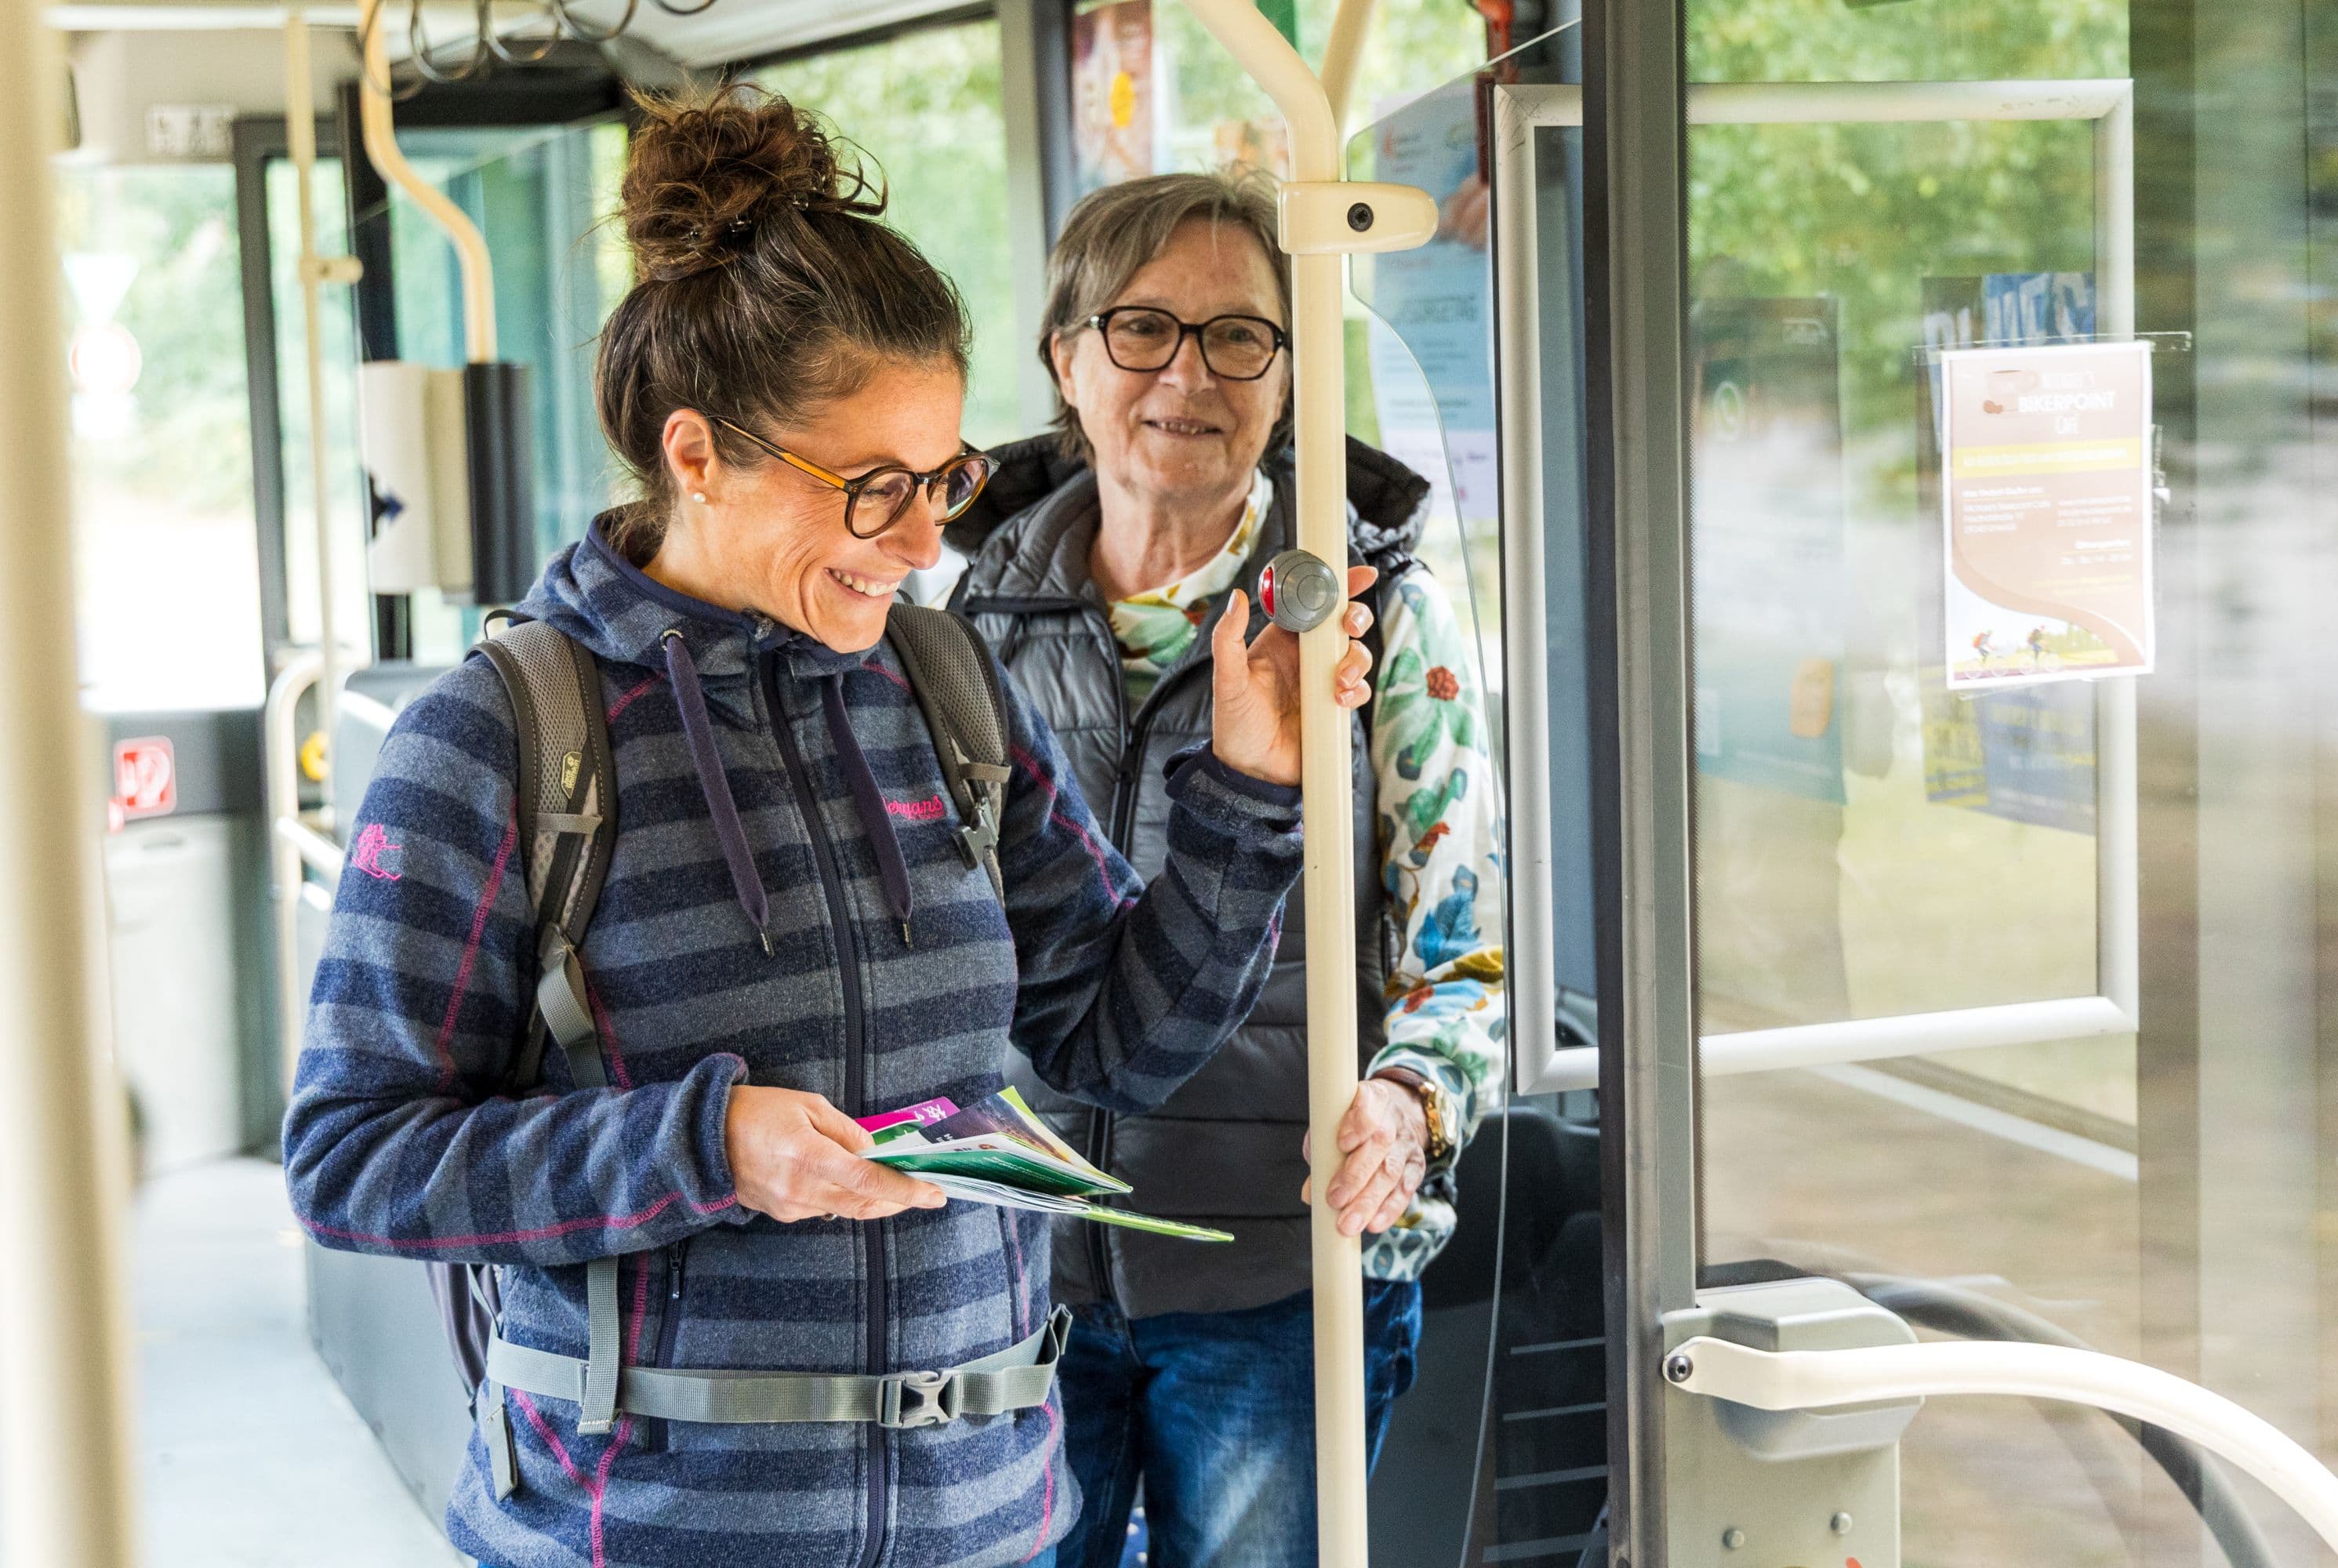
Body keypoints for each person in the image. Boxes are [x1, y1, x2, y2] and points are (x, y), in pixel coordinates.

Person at [281, 89, 1378, 1568]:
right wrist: (704, 1147)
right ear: (695, 456)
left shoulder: (941, 685)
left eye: (943, 481)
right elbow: (351, 1159)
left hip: (986, 1523)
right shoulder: (500, 738)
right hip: (650, 1536)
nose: (925, 543)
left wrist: (1250, 794)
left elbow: (1121, 1041)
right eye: (874, 491)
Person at [946, 171, 1507, 1568]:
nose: (1188, 375)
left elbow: (1468, 955)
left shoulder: (1379, 621)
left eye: (1240, 335)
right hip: (1015, 1275)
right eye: (1143, 327)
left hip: (1279, 1277)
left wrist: (1411, 1100)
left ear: (1291, 373)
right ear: (1067, 359)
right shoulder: (962, 624)